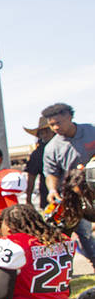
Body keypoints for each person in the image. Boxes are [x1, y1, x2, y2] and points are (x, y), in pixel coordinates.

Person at [42, 102, 95, 263]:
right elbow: (51, 174)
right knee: (80, 235)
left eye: (58, 123)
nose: (55, 127)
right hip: (74, 197)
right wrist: (52, 190)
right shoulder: (52, 148)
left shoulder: (91, 131)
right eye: (51, 125)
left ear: (69, 117)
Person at [23, 117, 53, 208]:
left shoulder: (68, 146)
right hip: (49, 198)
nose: (44, 135)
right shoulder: (37, 154)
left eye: (47, 131)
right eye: (42, 132)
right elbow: (31, 177)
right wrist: (28, 200)